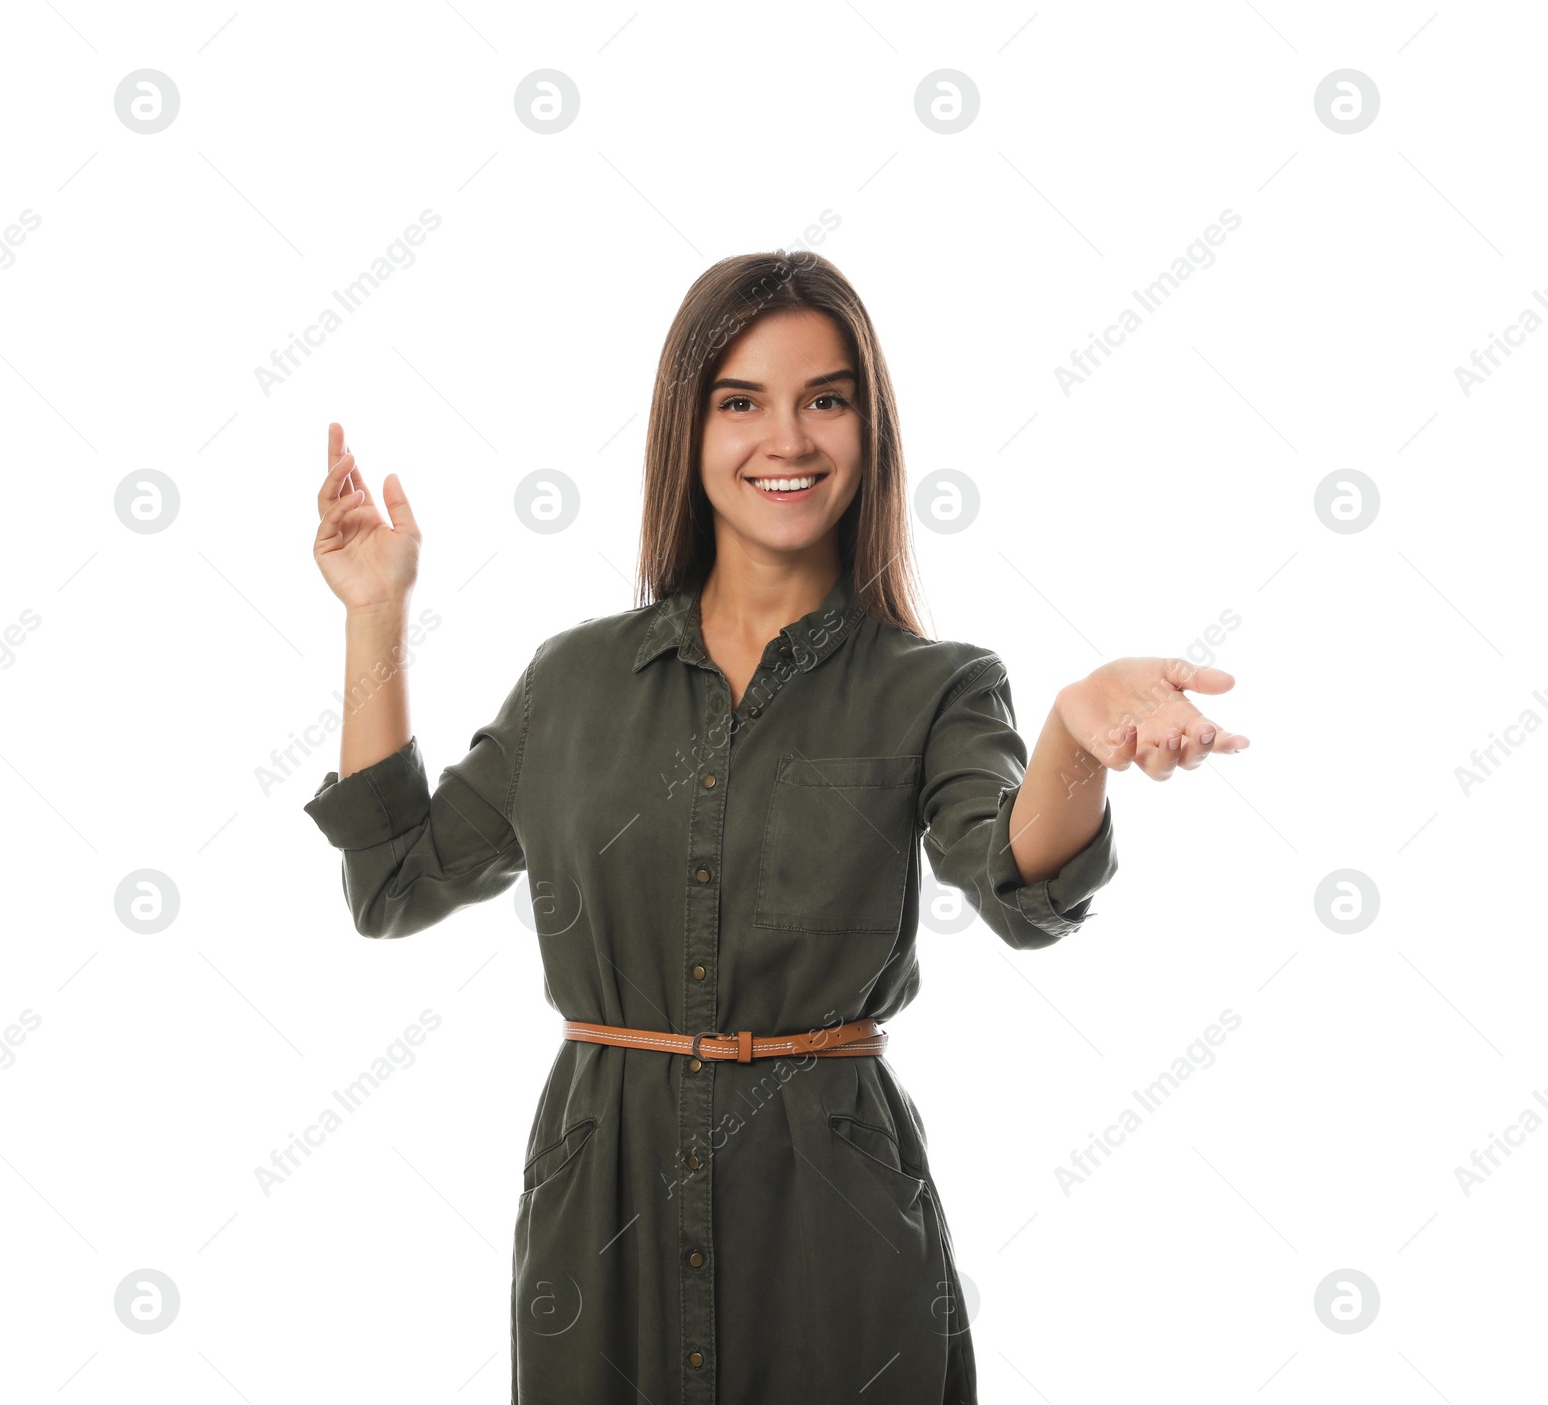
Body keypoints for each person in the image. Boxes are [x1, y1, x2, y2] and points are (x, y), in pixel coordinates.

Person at [303, 250, 1249, 1404]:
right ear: (686, 430)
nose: (787, 440)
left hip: (832, 1212)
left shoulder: (934, 685)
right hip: (603, 1207)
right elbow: (394, 880)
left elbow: (1015, 882)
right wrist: (375, 617)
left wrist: (1071, 741)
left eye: (826, 399)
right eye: (741, 401)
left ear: (870, 426)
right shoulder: (575, 681)